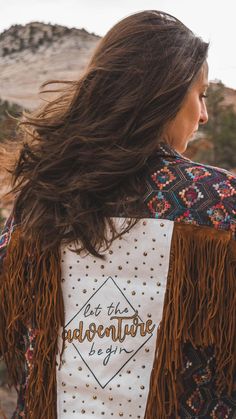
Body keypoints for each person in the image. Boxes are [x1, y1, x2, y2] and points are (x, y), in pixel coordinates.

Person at [0, 10, 235, 419]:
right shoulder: (222, 203)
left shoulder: (39, 199)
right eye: (199, 94)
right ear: (166, 92)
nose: (204, 115)